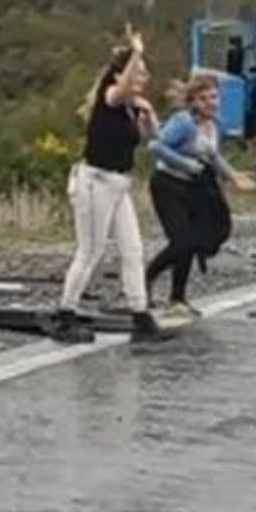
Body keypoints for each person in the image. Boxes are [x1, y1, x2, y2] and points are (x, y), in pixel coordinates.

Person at [53, 30, 165, 345]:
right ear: (121, 74)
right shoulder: (110, 97)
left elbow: (153, 137)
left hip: (119, 185)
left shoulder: (130, 108)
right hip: (95, 181)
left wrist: (149, 113)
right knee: (91, 250)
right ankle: (66, 312)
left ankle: (140, 313)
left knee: (133, 249)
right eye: (139, 73)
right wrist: (137, 52)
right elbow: (122, 86)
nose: (144, 78)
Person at [146, 71, 254, 318]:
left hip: (192, 188)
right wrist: (186, 165)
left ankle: (177, 298)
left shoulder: (215, 125)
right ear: (192, 101)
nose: (211, 103)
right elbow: (156, 146)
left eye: (214, 97)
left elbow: (213, 157)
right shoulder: (183, 122)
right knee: (181, 241)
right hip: (167, 185)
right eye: (204, 98)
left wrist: (234, 176)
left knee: (192, 241)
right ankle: (147, 277)